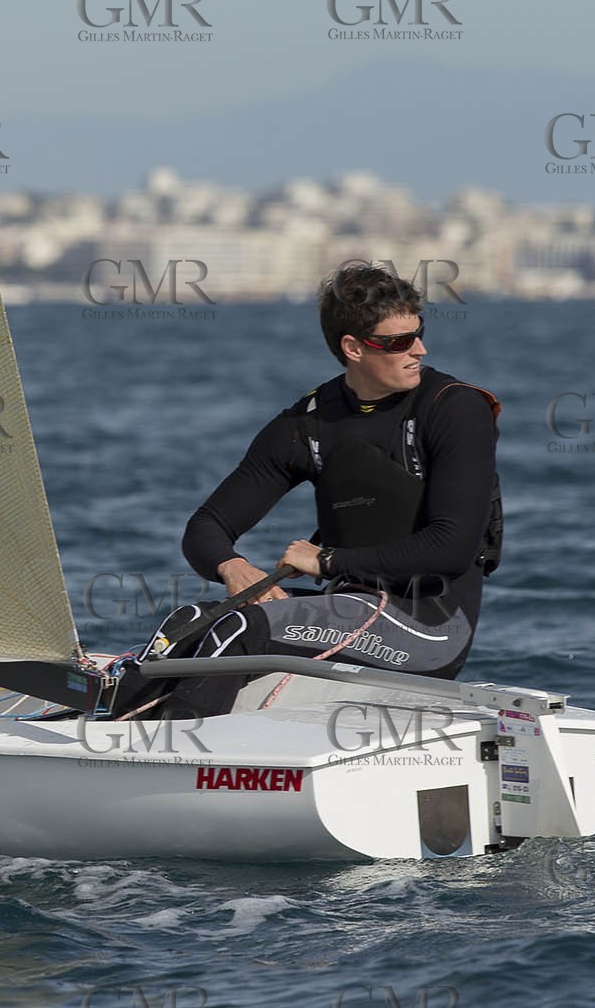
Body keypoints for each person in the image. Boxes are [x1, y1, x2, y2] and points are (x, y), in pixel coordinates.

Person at [137, 262, 501, 718]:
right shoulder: (308, 422)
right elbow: (206, 526)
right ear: (353, 347)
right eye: (399, 342)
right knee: (188, 622)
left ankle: (167, 755)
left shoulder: (455, 409)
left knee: (242, 626)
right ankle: (112, 733)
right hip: (348, 607)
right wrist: (231, 567)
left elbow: (452, 547)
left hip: (430, 627)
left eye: (419, 333)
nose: (419, 350)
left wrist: (327, 561)